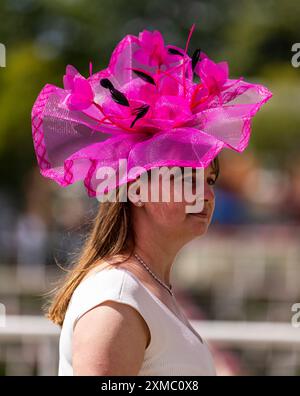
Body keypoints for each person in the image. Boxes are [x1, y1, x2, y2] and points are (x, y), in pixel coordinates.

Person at [31, 24, 272, 375]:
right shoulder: (116, 297)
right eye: (187, 178)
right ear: (138, 189)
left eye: (210, 179)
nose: (204, 194)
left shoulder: (143, 288)